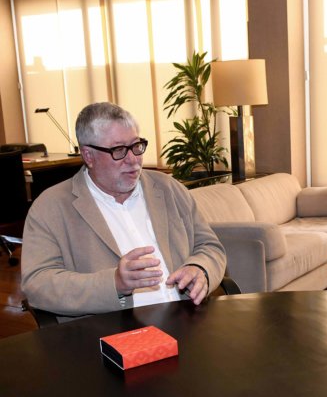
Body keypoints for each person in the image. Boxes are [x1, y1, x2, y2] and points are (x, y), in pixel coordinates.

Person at [21, 102, 227, 320]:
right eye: (119, 150)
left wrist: (200, 268)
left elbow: (210, 246)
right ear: (88, 155)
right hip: (109, 330)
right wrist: (114, 284)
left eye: (137, 146)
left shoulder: (168, 188)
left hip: (187, 319)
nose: (133, 159)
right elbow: (37, 284)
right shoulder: (51, 207)